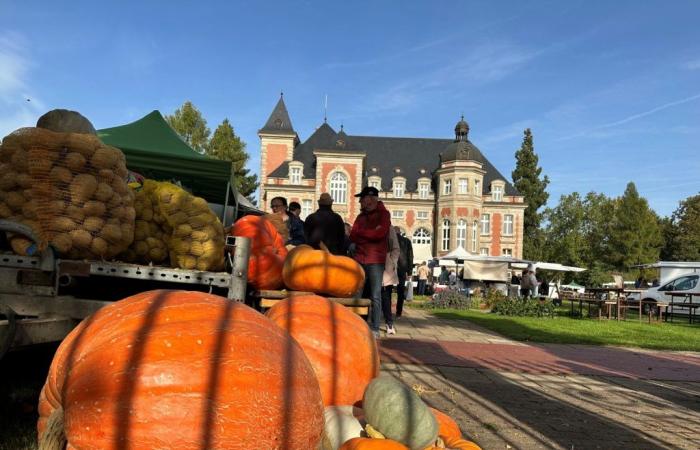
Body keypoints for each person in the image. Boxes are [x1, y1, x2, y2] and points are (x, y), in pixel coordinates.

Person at [349, 186, 391, 338]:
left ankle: (374, 328)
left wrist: (362, 234)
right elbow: (353, 236)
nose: (360, 201)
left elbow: (379, 234)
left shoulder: (384, 215)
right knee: (357, 294)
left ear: (370, 198)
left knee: (375, 295)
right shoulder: (360, 217)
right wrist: (367, 235)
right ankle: (356, 324)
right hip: (360, 259)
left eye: (362, 198)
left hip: (375, 261)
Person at [381, 226, 400, 335]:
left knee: (386, 296)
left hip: (386, 265)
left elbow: (396, 248)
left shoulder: (388, 228)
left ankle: (389, 323)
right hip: (372, 263)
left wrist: (392, 261)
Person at [395, 227, 414, 318]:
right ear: (400, 232)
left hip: (391, 268)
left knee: (387, 290)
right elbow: (410, 257)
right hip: (402, 269)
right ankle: (399, 312)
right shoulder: (407, 241)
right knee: (400, 291)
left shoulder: (389, 240)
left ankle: (385, 311)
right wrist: (409, 271)